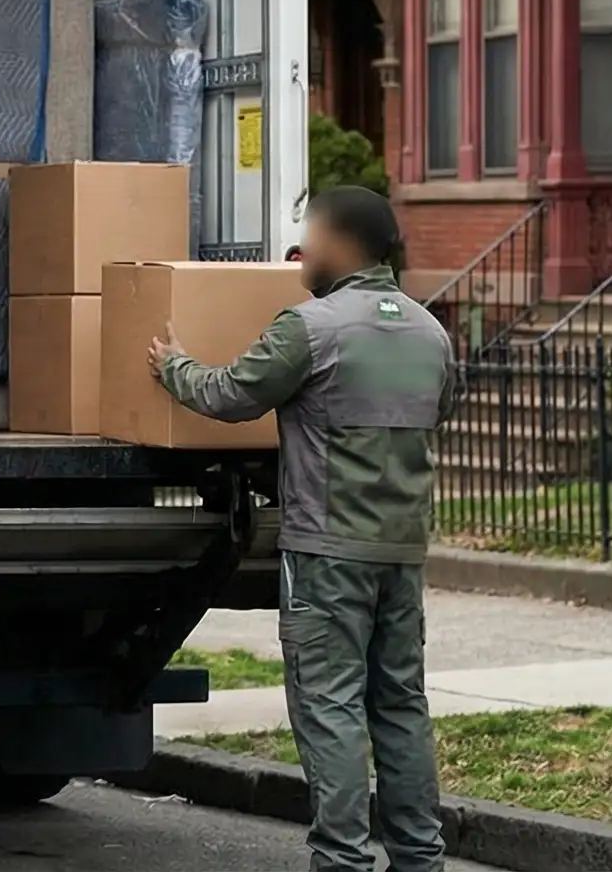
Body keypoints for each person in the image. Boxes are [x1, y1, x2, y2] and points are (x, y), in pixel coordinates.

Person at [148, 185, 462, 872]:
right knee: (401, 704)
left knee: (332, 707)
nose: (304, 250)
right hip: (401, 552)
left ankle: (343, 861)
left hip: (326, 554)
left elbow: (230, 394)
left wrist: (172, 366)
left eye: (311, 235)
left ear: (342, 243)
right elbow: (438, 405)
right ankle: (420, 859)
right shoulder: (430, 332)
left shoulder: (311, 328)